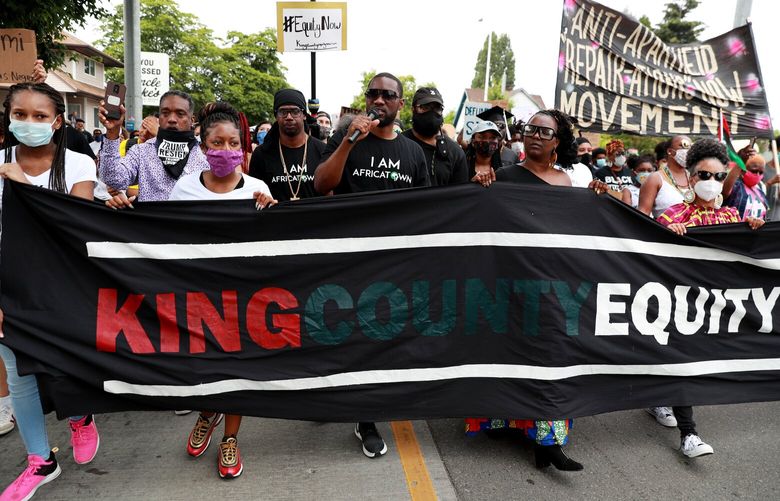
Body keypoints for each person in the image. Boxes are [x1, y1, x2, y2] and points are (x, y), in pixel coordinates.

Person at [466, 109, 604, 472]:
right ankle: (503, 419)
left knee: (551, 358)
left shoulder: (567, 184)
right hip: (508, 282)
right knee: (508, 352)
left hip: (554, 285)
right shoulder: (504, 177)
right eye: (531, 129)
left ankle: (549, 443)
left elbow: (576, 232)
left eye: (545, 131)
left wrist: (597, 199)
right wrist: (481, 187)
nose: (535, 136)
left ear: (558, 142)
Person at [314, 72, 429, 458]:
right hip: (350, 261)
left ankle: (369, 413)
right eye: (373, 94)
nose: (379, 100)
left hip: (393, 266)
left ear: (400, 104)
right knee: (351, 337)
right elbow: (321, 185)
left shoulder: (412, 152)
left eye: (388, 95)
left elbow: (425, 210)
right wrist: (348, 142)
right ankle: (359, 413)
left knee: (383, 341)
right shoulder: (348, 140)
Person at [0, 82, 99, 501]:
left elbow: (69, 230)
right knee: (20, 376)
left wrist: (21, 185)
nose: (29, 123)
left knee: (65, 364)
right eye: (19, 114)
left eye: (40, 116)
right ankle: (41, 460)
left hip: (62, 283)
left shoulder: (78, 165)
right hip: (9, 286)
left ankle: (80, 415)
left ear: (57, 122)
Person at [170, 102, 274, 479]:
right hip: (199, 297)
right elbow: (166, 238)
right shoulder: (184, 189)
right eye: (217, 142)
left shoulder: (257, 189)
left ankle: (230, 437)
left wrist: (271, 211)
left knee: (236, 370)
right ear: (203, 146)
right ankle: (207, 411)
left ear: (242, 147)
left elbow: (273, 247)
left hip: (243, 300)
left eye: (233, 143)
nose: (225, 150)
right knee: (204, 365)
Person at [656, 138, 764, 457]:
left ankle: (659, 395)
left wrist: (755, 231)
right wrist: (666, 234)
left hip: (716, 307)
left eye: (718, 177)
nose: (712, 182)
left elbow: (746, 254)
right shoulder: (673, 216)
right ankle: (689, 435)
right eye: (704, 175)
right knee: (684, 363)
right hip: (679, 305)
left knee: (690, 364)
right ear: (690, 178)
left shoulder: (732, 218)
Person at [98, 90, 209, 206]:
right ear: (159, 118)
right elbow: (113, 179)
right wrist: (112, 131)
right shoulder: (142, 151)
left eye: (180, 114)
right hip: (151, 223)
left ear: (192, 120)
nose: (171, 119)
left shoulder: (205, 154)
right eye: (165, 113)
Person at [249, 89, 326, 201]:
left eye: (295, 111)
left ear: (304, 115)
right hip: (276, 217)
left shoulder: (322, 150)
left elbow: (330, 192)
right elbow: (255, 194)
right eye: (283, 112)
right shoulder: (262, 154)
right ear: (276, 116)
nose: (289, 117)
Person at [401, 87, 468, 186]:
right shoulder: (398, 144)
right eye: (425, 107)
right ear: (413, 109)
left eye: (437, 108)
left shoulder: (455, 152)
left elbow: (460, 195)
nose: (431, 113)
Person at [638, 135, 692, 218]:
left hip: (695, 230)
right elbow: (643, 214)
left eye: (690, 147)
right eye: (683, 146)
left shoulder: (695, 177)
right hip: (665, 230)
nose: (687, 151)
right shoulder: (655, 178)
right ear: (670, 151)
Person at [722, 151, 769, 220]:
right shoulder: (735, 186)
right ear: (743, 171)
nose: (758, 175)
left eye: (761, 172)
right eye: (754, 171)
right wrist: (740, 163)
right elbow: (724, 192)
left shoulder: (760, 188)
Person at [467, 121, 503, 188]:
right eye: (482, 137)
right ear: (473, 141)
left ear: (497, 143)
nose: (487, 141)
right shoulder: (463, 166)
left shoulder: (504, 169)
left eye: (493, 138)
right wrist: (471, 185)